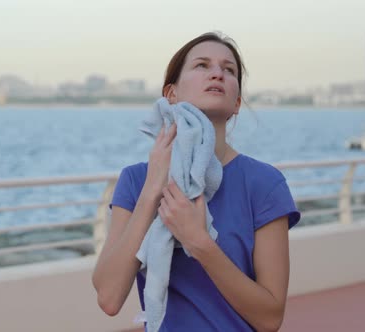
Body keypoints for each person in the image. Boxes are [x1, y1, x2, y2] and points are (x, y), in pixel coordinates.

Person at [91, 32, 301, 332]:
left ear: (237, 102)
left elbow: (270, 318)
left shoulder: (264, 183)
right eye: (202, 65)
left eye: (229, 70)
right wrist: (153, 190)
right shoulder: (136, 180)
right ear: (171, 94)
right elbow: (109, 298)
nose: (217, 73)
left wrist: (199, 241)